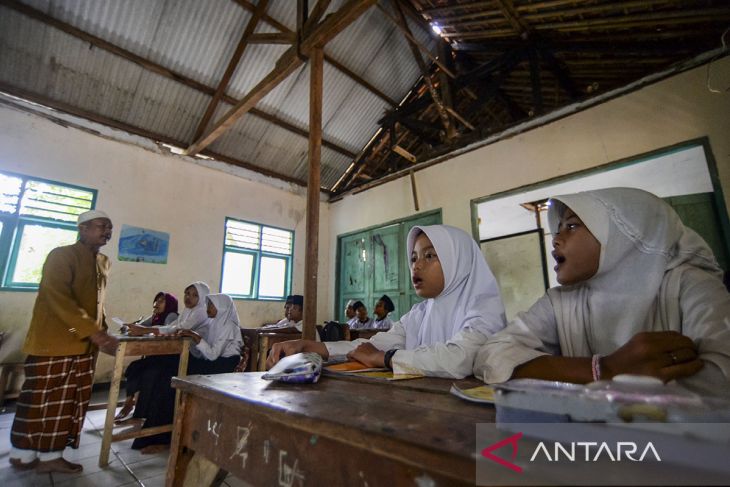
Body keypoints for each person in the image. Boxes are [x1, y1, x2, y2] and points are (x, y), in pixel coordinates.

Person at [474, 188, 730, 397]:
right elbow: (492, 354)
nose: (555, 239)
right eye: (558, 228)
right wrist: (602, 370)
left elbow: (721, 378)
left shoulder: (690, 284)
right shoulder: (560, 300)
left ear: (621, 236)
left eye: (571, 227)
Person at [268, 225, 507, 379]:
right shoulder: (420, 313)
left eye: (430, 256)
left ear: (459, 261)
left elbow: (460, 359)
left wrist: (385, 359)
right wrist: (309, 347)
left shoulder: (484, 308)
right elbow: (371, 346)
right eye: (413, 258)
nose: (417, 265)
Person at [10, 210, 119, 474]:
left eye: (110, 227)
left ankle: (50, 457)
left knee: (68, 401)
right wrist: (91, 332)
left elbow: (97, 305)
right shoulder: (62, 256)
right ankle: (22, 454)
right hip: (55, 342)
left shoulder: (103, 262)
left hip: (83, 345)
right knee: (39, 399)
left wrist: (100, 332)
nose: (107, 231)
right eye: (101, 226)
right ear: (82, 228)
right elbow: (57, 299)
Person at [131, 293, 242, 452]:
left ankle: (165, 438)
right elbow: (203, 353)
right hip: (209, 363)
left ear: (222, 307)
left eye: (211, 305)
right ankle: (156, 434)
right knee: (164, 373)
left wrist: (195, 337)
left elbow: (212, 355)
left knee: (170, 380)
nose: (208, 308)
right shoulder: (213, 323)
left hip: (221, 367)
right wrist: (191, 337)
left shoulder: (229, 326)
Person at [114, 292, 179, 422]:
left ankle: (140, 413)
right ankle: (129, 401)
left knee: (148, 374)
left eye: (161, 301)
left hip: (168, 359)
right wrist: (128, 328)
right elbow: (142, 326)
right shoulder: (155, 316)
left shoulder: (171, 315)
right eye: (156, 300)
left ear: (169, 304)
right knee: (133, 367)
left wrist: (144, 329)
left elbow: (166, 329)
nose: (157, 303)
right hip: (155, 357)